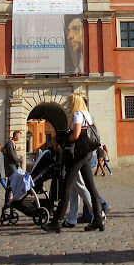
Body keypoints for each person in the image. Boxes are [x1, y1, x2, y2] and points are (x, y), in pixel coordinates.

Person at [42, 93, 104, 233]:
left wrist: (65, 138)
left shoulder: (77, 114)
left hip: (78, 155)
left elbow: (76, 135)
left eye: (69, 102)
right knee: (91, 187)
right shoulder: (86, 114)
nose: (68, 105)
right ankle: (98, 219)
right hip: (88, 153)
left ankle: (57, 222)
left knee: (66, 186)